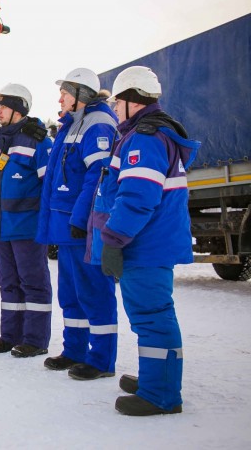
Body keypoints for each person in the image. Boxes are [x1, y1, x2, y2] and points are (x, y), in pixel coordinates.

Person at [89, 66, 200, 416]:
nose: (114, 108)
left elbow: (137, 198)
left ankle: (161, 394)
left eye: (116, 102)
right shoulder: (146, 134)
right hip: (147, 243)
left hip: (143, 245)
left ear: (129, 101)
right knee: (147, 314)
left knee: (153, 315)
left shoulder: (146, 138)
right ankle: (156, 377)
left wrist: (113, 240)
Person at [37, 68, 120, 381]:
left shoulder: (98, 123)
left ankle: (101, 360)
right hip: (67, 226)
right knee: (71, 293)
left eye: (66, 92)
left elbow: (97, 175)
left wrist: (80, 218)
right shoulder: (72, 124)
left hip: (82, 226)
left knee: (94, 292)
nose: (60, 98)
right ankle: (74, 350)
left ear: (82, 95)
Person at [0, 83, 54, 358]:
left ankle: (35, 339)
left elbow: (48, 187)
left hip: (27, 227)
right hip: (2, 227)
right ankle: (10, 336)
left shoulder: (38, 141)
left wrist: (45, 224)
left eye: (3, 105)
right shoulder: (1, 141)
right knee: (8, 283)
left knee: (33, 282)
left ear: (18, 109)